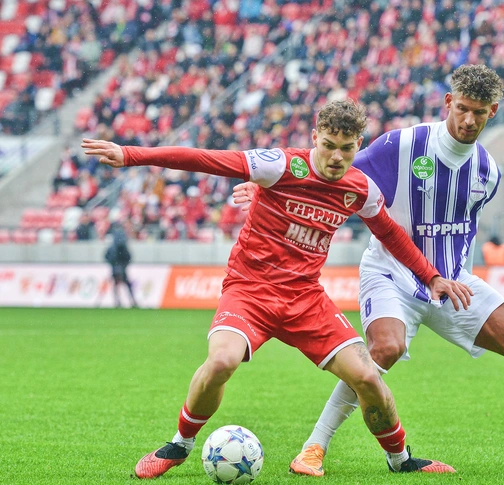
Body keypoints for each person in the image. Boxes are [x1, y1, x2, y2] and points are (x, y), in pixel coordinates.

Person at [234, 65, 504, 477]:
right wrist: (270, 183)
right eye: (462, 108)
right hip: (391, 273)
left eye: (479, 112)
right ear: (448, 103)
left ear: (492, 111)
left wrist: (459, 278)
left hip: (449, 283)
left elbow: (465, 230)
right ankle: (313, 448)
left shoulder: (488, 171)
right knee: (384, 349)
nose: (469, 119)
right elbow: (330, 165)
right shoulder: (401, 145)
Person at [82, 100, 473, 479]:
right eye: (329, 146)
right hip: (249, 291)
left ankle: (400, 459)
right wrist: (131, 154)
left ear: (359, 145)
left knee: (368, 378)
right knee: (221, 362)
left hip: (305, 299)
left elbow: (390, 233)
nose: (336, 157)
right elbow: (206, 159)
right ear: (315, 137)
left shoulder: (361, 189)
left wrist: (431, 276)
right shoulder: (281, 165)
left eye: (347, 148)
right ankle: (179, 445)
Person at [104, 230, 138, 308]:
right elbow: (128, 257)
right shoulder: (123, 248)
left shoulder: (112, 248)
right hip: (122, 269)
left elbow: (107, 257)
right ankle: (132, 301)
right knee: (126, 285)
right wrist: (123, 265)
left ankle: (118, 301)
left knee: (117, 285)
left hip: (116, 269)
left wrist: (113, 264)